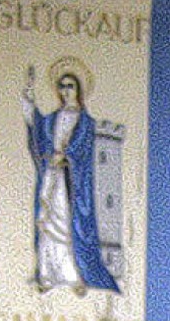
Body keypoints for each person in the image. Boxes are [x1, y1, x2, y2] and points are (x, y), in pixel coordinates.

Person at [23, 64, 120, 295]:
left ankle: (74, 275)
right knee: (48, 224)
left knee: (68, 225)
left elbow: (83, 150)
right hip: (52, 178)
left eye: (70, 86)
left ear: (78, 90)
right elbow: (37, 131)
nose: (66, 91)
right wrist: (28, 99)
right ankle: (48, 275)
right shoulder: (52, 120)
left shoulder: (86, 123)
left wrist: (66, 158)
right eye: (62, 86)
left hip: (71, 182)